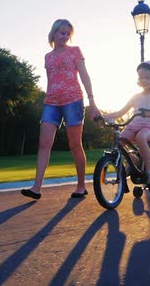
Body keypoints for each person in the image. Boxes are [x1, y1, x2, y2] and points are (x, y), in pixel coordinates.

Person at [21, 19, 100, 200]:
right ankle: (36, 187)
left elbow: (85, 75)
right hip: (51, 103)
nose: (65, 36)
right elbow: (50, 80)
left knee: (74, 145)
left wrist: (92, 100)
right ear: (54, 33)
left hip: (73, 100)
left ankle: (81, 186)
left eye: (67, 33)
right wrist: (47, 99)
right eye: (61, 32)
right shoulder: (48, 57)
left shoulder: (74, 52)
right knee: (44, 144)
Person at [101, 60, 150, 184]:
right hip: (134, 124)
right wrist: (103, 116)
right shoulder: (135, 97)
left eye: (148, 77)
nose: (144, 80)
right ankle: (132, 162)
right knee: (120, 141)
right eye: (141, 77)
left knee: (141, 137)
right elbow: (120, 113)